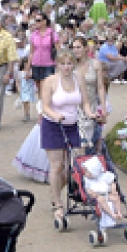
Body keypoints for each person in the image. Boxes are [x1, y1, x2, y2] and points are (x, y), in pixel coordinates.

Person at [40, 49, 95, 224]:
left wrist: (90, 114)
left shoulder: (78, 79)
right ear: (58, 64)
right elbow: (45, 106)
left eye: (69, 63)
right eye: (63, 64)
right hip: (53, 126)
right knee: (57, 166)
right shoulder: (50, 81)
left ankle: (54, 191)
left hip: (72, 126)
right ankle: (57, 204)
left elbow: (84, 101)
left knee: (75, 166)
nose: (66, 67)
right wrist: (55, 115)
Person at [28, 12, 57, 94]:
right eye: (35, 20)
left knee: (46, 86)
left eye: (38, 20)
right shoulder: (33, 34)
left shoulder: (52, 34)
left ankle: (45, 104)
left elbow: (58, 51)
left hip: (49, 64)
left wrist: (58, 64)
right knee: (39, 88)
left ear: (44, 21)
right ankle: (41, 104)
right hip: (35, 63)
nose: (36, 22)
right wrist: (27, 68)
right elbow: (31, 52)